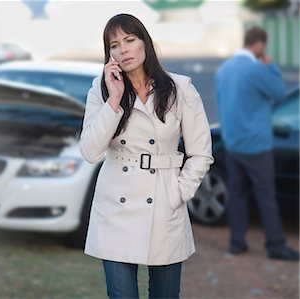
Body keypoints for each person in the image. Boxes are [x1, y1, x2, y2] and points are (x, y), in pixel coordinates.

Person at [79, 14, 214, 298]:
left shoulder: (180, 88)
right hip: (115, 207)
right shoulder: (101, 89)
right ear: (110, 54)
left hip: (164, 201)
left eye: (130, 40)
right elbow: (90, 152)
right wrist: (114, 100)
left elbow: (201, 153)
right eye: (114, 45)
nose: (123, 50)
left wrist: (179, 193)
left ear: (145, 43)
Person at [215, 26, 299, 261]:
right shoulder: (256, 69)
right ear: (260, 45)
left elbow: (222, 105)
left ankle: (236, 242)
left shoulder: (224, 70)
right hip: (256, 146)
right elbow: (280, 94)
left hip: (233, 144)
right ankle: (276, 245)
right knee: (265, 195)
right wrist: (270, 66)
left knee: (238, 194)